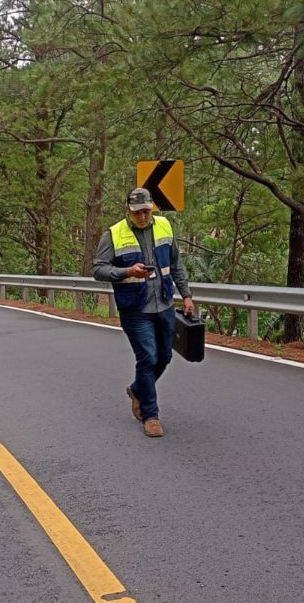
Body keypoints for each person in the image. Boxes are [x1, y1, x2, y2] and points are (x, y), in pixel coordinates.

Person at [93, 187, 195, 438]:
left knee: (164, 357)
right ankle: (151, 415)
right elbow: (99, 270)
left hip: (164, 302)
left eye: (146, 211)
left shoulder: (164, 226)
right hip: (135, 307)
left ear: (152, 208)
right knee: (147, 358)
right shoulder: (114, 234)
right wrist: (127, 272)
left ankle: (138, 389)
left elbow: (176, 263)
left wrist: (188, 295)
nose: (142, 217)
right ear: (128, 210)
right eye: (137, 213)